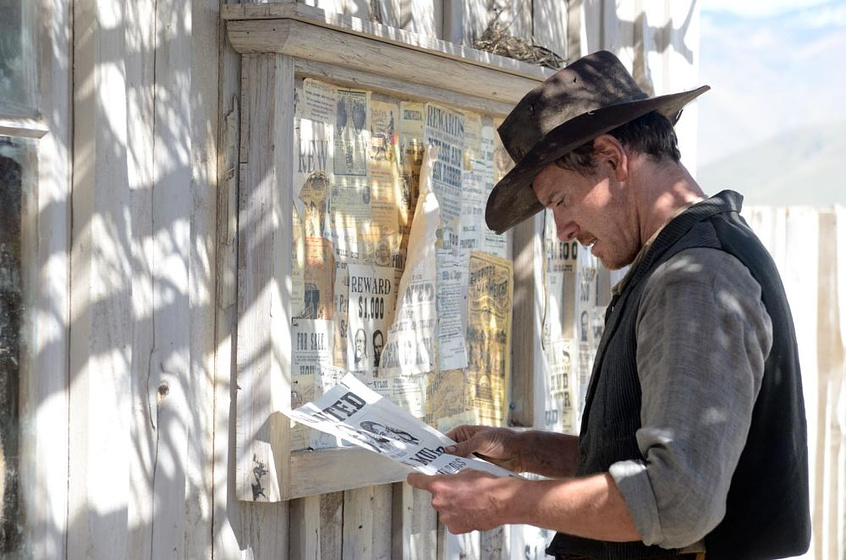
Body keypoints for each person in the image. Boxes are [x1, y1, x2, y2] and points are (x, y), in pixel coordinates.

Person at [407, 50, 810, 560]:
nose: (562, 230)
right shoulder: (685, 258)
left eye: (559, 201)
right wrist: (526, 450)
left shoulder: (696, 277)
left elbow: (677, 500)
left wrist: (507, 502)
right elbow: (649, 462)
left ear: (611, 157)